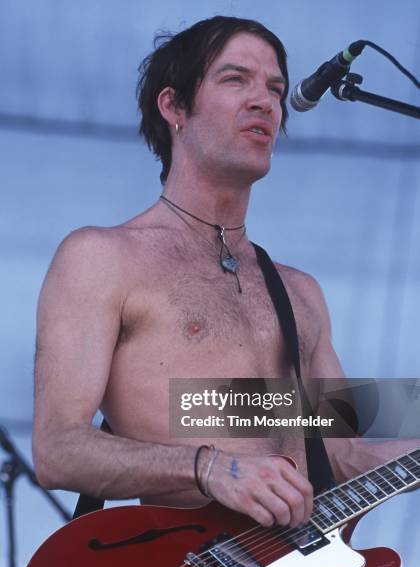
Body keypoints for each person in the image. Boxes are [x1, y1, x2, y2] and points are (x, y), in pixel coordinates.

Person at [33, 16, 417, 530]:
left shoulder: (301, 293)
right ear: (173, 107)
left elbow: (340, 460)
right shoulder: (100, 258)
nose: (265, 101)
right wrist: (212, 468)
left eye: (276, 88)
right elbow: (57, 450)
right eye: (235, 79)